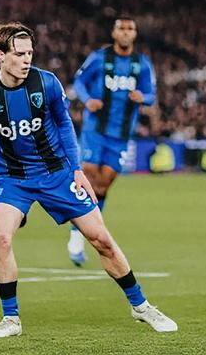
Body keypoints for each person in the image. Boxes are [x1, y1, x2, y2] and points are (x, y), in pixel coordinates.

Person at [0, 22, 176, 339]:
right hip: (12, 179)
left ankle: (140, 305)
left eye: (30, 52)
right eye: (19, 54)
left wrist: (76, 169)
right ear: (1, 55)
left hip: (57, 174)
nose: (27, 59)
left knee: (101, 240)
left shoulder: (46, 83)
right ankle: (11, 319)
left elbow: (63, 124)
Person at [67, 17, 157, 266]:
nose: (126, 33)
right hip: (95, 129)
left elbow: (151, 95)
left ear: (135, 34)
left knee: (104, 185)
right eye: (122, 28)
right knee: (89, 176)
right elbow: (79, 82)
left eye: (130, 29)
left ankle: (84, 228)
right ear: (114, 32)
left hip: (121, 134)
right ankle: (77, 235)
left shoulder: (142, 64)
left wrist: (143, 97)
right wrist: (87, 100)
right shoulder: (99, 58)